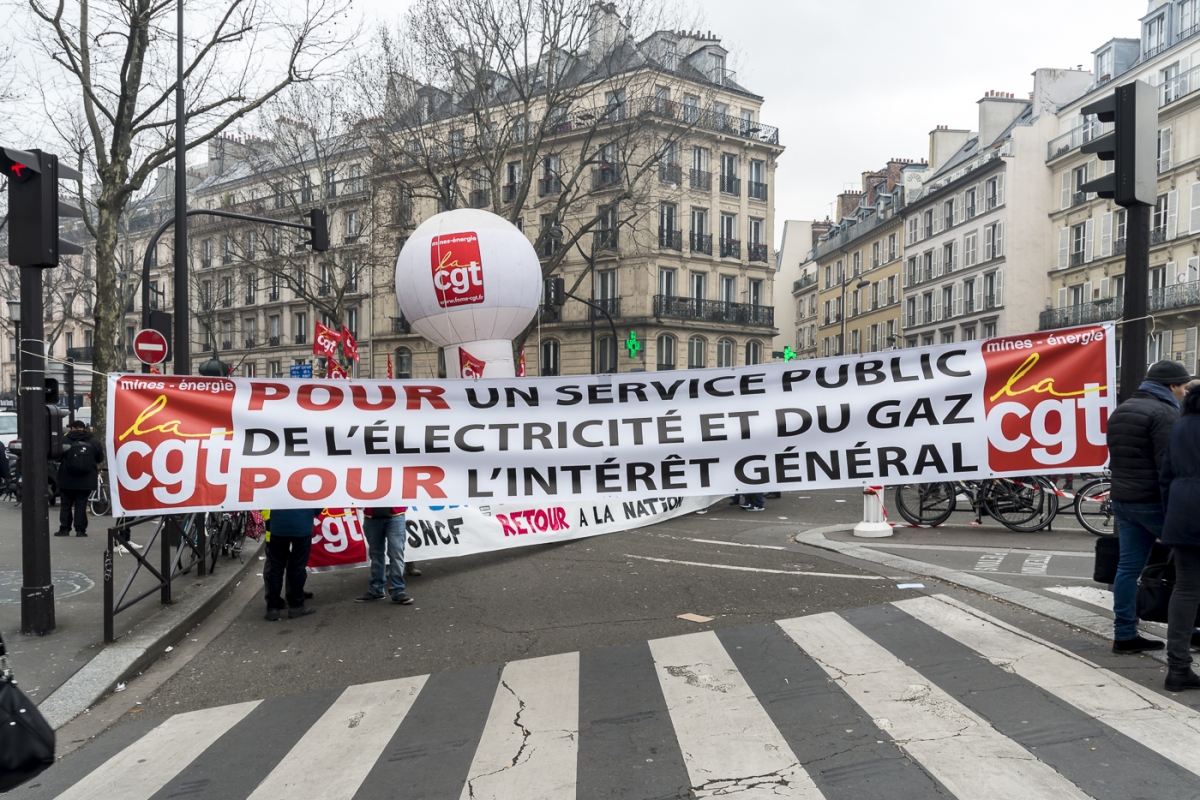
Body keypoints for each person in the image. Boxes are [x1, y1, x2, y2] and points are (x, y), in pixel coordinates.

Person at [1106, 359, 1193, 654]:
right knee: (1189, 571)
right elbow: (1168, 466)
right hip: (1153, 501)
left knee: (1128, 568)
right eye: (1183, 386)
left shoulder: (1123, 409)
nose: (1185, 392)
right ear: (1171, 386)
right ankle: (1190, 629)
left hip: (1123, 500)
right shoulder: (1165, 412)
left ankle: (1125, 634)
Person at [1160, 382, 1200, 691]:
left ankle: (1178, 666)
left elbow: (1166, 475)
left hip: (1183, 511)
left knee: (1186, 588)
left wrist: (1171, 515)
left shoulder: (1180, 425)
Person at [264, 507, 320, 621]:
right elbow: (320, 500)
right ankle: (296, 605)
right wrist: (313, 513)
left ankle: (273, 608)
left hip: (278, 525)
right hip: (302, 524)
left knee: (276, 567)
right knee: (297, 567)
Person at [355, 507, 414, 605]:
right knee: (377, 554)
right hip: (374, 517)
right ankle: (381, 590)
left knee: (395, 553)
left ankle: (396, 590)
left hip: (394, 516)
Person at [55, 419, 103, 537]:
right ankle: (80, 530)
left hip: (67, 478)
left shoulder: (64, 440)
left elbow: (58, 457)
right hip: (86, 479)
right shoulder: (94, 441)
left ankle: (64, 529)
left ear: (72, 428)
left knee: (66, 504)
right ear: (84, 428)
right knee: (81, 504)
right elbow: (100, 458)